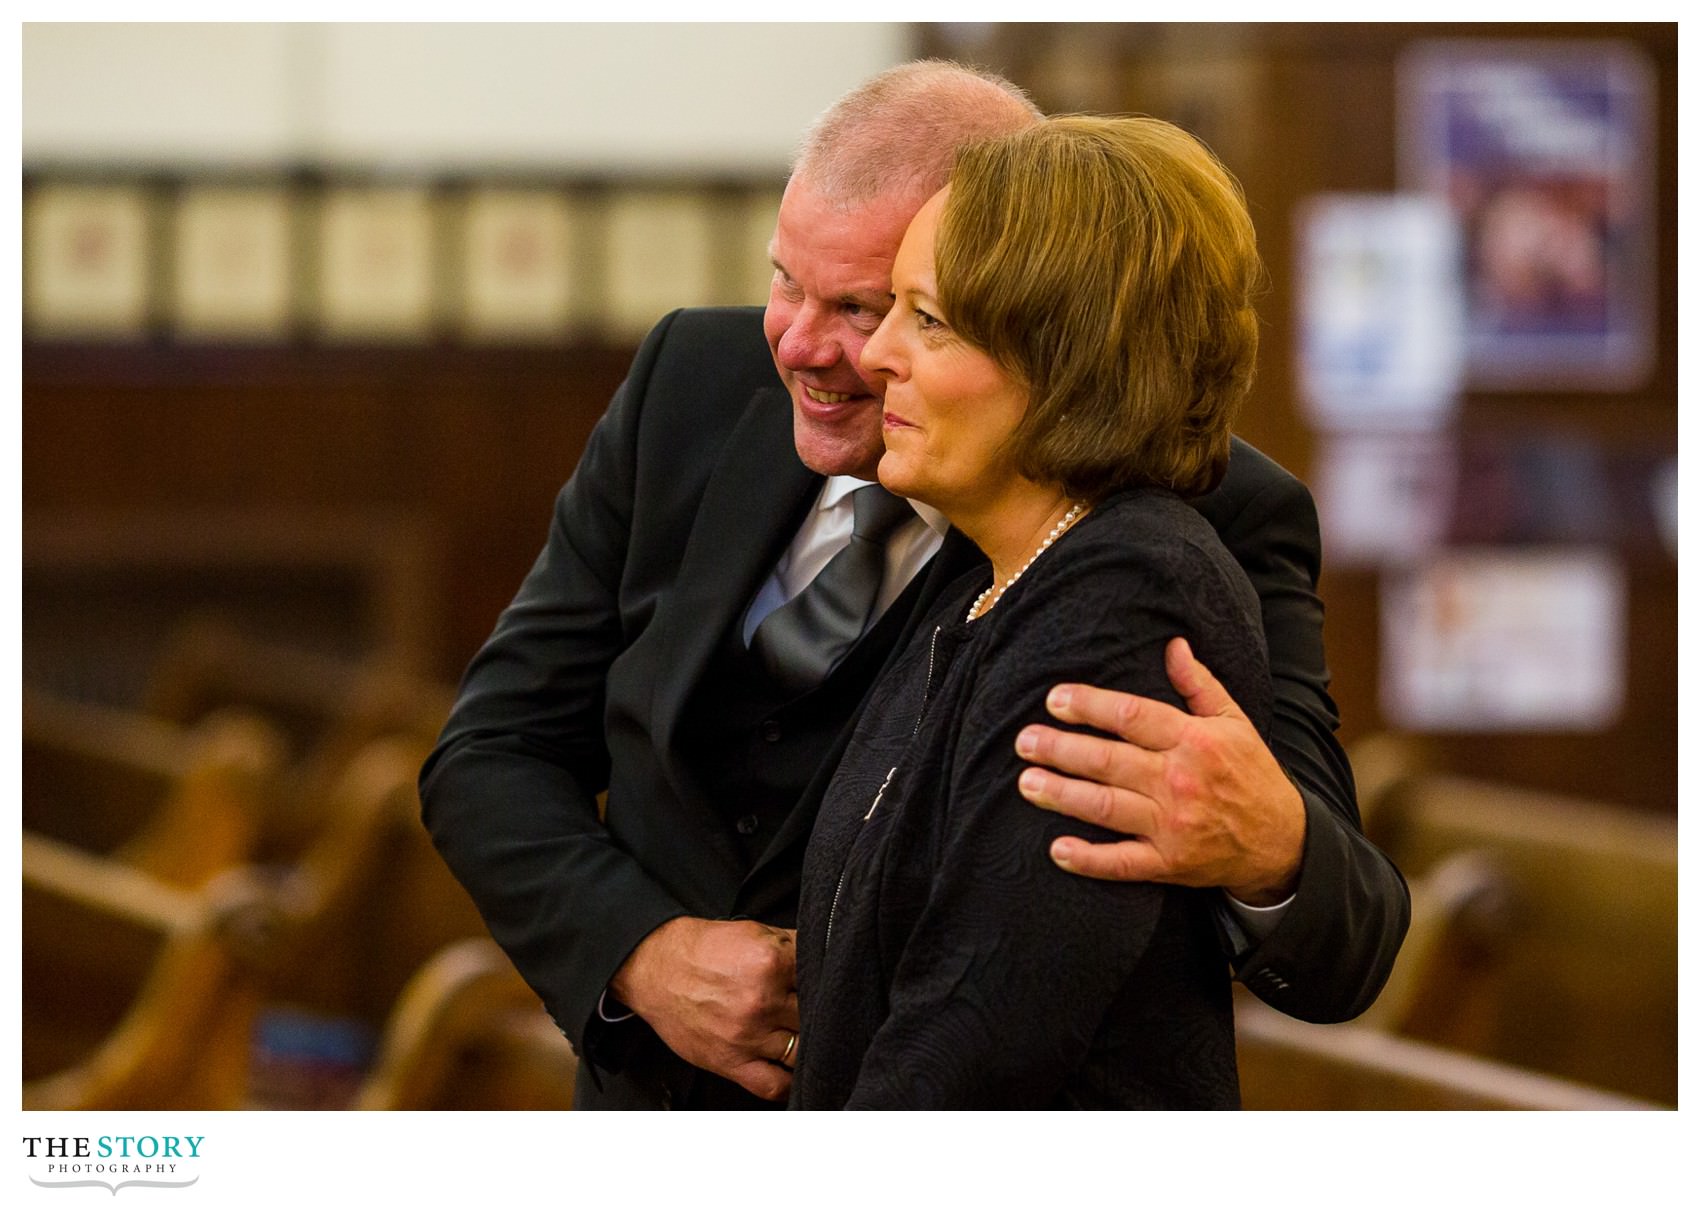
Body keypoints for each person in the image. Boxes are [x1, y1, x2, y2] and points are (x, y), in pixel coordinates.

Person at [419, 61, 1408, 1111]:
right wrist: (643, 951)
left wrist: (1273, 847)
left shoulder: (1175, 524)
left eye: (875, 304)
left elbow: (1331, 941)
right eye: (783, 279)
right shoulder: (691, 385)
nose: (804, 344)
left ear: (1030, 315)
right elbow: (490, 748)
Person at [794, 114, 1273, 1108]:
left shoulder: (1122, 602)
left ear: (1065, 358)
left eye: (925, 318)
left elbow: (973, 1053)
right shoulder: (1003, 576)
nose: (876, 353)